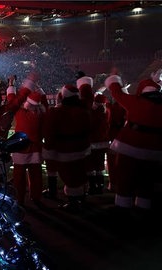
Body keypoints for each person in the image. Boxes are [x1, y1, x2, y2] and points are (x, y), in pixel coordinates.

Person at [104, 68, 162, 212]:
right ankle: (143, 206)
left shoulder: (135, 101)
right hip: (154, 148)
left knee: (125, 176)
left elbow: (117, 93)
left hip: (130, 146)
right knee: (147, 179)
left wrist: (114, 79)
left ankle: (123, 207)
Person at [43, 84, 91, 213]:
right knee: (80, 173)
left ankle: (73, 203)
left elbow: (49, 132)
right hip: (82, 147)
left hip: (64, 149)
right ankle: (82, 199)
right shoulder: (84, 111)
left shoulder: (56, 112)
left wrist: (48, 148)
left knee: (69, 176)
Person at [11, 91, 47, 208]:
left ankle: (20, 199)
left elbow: (12, 101)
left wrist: (11, 86)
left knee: (19, 178)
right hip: (36, 149)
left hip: (21, 149)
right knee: (36, 176)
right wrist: (41, 93)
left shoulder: (21, 113)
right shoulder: (41, 115)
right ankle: (36, 197)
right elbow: (45, 104)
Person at [86, 93, 110, 195]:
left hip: (92, 142)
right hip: (103, 142)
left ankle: (92, 187)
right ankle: (100, 187)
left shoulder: (93, 112)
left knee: (90, 166)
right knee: (100, 166)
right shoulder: (106, 112)